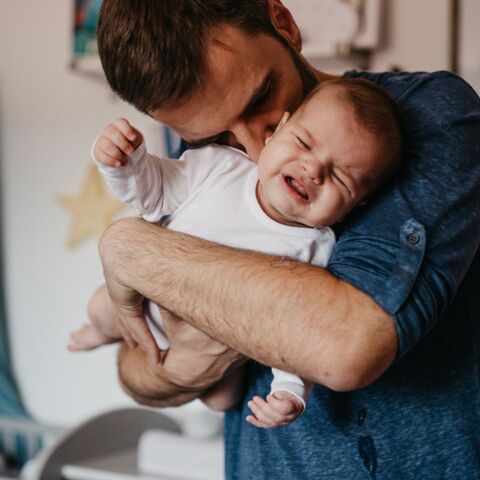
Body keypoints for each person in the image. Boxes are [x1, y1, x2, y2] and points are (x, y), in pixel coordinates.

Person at [94, 0, 480, 478]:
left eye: (260, 103)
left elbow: (345, 348)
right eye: (218, 138)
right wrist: (187, 357)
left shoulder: (428, 114)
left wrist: (129, 248)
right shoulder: (205, 157)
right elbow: (136, 371)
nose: (256, 152)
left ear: (284, 24)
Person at [70, 78, 402, 429]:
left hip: (219, 340)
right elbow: (151, 195)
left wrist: (290, 392)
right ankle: (103, 333)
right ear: (276, 132)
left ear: (355, 205)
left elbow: (291, 334)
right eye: (303, 143)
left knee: (223, 399)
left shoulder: (317, 249)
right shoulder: (219, 167)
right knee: (98, 307)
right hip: (146, 303)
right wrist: (127, 162)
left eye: (340, 177)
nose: (314, 169)